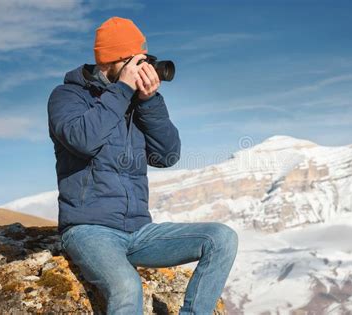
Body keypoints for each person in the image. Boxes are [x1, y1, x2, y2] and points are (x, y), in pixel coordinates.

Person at [47, 16, 238, 315]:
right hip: (88, 230)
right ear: (111, 61)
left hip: (138, 231)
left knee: (222, 238)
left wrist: (149, 101)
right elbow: (82, 140)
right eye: (134, 61)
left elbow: (167, 155)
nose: (142, 69)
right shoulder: (68, 96)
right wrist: (121, 91)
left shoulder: (137, 102)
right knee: (126, 285)